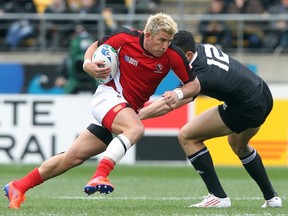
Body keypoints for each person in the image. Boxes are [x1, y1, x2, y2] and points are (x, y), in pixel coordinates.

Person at [2, 13, 200, 209]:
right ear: (148, 35)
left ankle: (18, 186)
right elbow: (95, 46)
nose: (165, 46)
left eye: (169, 41)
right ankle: (100, 175)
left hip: (125, 109)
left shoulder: (173, 55)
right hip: (108, 97)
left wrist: (179, 94)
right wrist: (87, 63)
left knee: (72, 157)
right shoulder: (125, 37)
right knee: (135, 129)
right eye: (161, 40)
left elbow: (193, 85)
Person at [138, 30, 282, 208]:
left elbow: (171, 104)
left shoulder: (199, 75)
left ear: (188, 55)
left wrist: (136, 116)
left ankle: (218, 196)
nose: (170, 58)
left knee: (187, 136)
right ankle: (272, 198)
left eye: (174, 55)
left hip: (246, 106)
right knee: (238, 145)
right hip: (263, 93)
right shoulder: (202, 49)